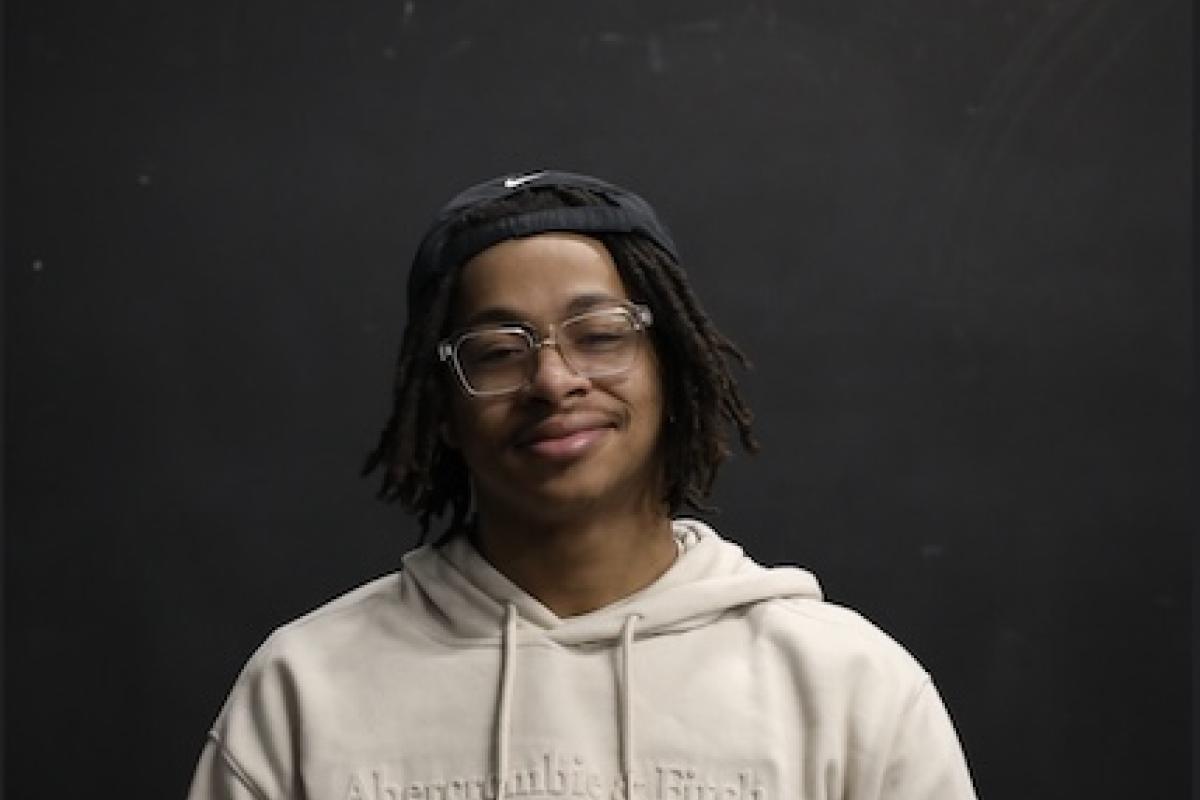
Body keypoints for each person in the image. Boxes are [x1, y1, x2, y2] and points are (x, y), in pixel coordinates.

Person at [186, 171, 978, 800]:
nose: (554, 380)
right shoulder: (305, 691)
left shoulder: (850, 689)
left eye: (600, 336)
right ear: (443, 407)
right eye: (497, 351)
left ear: (675, 368)